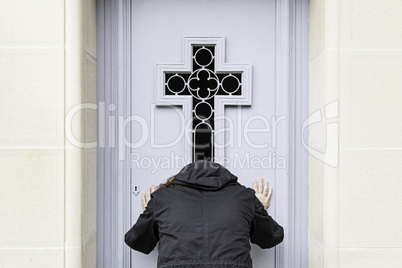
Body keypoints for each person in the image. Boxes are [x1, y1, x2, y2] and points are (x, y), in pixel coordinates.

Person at [125, 160, 284, 268]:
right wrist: (259, 209)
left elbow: (136, 240)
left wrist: (151, 211)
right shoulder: (244, 197)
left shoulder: (162, 198)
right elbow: (272, 237)